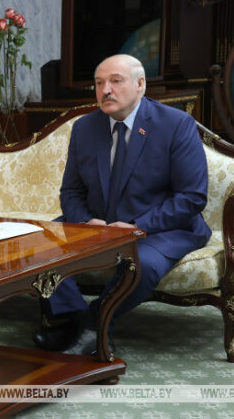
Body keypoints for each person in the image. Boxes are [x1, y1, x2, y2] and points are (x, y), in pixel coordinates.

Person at [34, 54, 211, 355]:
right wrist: (86, 222)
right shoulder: (85, 127)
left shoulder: (175, 124)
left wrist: (136, 226)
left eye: (116, 81)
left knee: (143, 264)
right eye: (99, 83)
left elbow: (191, 197)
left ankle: (92, 322)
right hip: (99, 224)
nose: (106, 90)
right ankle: (73, 320)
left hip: (160, 228)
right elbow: (71, 192)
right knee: (39, 245)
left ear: (140, 84)